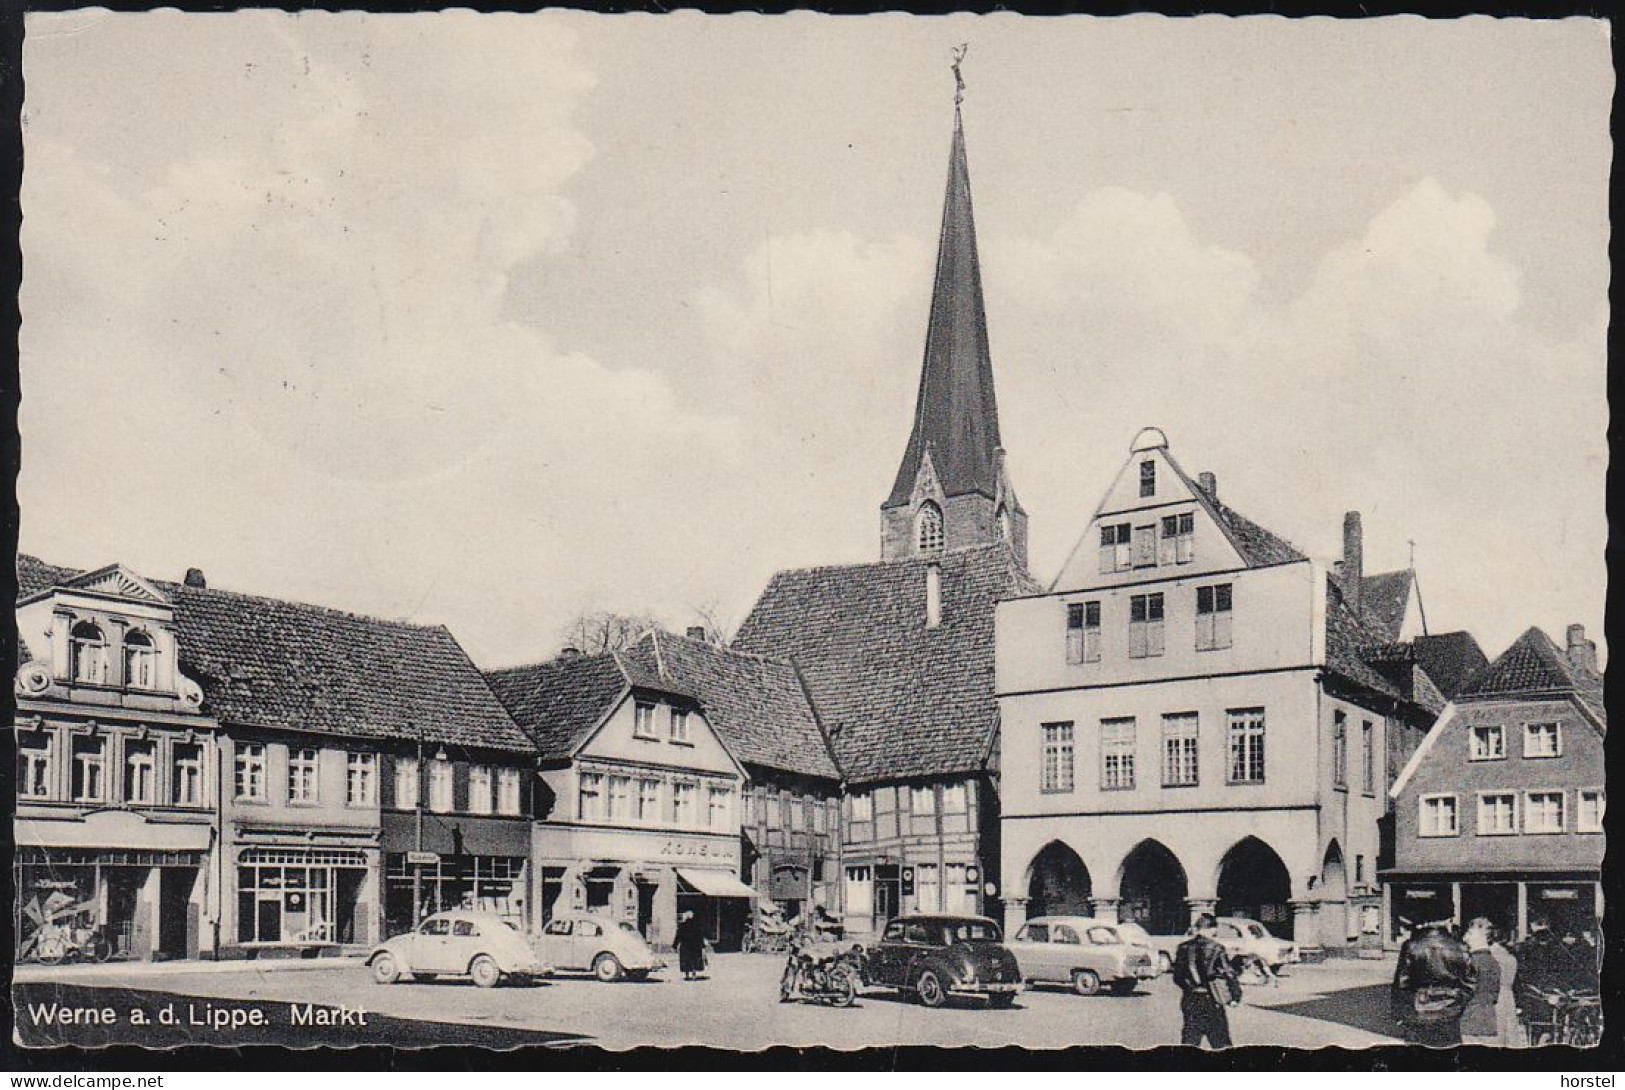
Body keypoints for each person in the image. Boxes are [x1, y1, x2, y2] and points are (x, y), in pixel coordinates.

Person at [1391, 921, 1476, 1047]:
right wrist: (1456, 1002)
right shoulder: (1460, 947)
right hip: (1451, 1013)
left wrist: (1403, 1015)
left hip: (1420, 1011)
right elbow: (1470, 984)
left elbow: (1402, 984)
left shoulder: (1412, 946)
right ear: (1448, 920)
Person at [1173, 914, 1243, 1049]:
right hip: (1212, 1000)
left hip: (1190, 999)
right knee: (1221, 1043)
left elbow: (1177, 977)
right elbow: (1229, 974)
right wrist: (1235, 996)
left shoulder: (1183, 948)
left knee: (1189, 1042)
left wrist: (1189, 987)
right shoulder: (1217, 948)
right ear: (1213, 929)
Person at [1460, 918, 1502, 1045]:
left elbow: (1462, 994)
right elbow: (1495, 996)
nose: (1465, 938)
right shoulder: (1494, 962)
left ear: (1481, 935)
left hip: (1469, 1023)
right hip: (1489, 1022)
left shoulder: (1472, 962)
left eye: (1470, 933)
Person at [674, 910, 707, 981]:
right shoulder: (697, 925)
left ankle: (687, 975)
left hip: (685, 946)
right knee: (694, 959)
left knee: (686, 960)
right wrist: (703, 945)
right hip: (695, 946)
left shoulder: (682, 926)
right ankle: (694, 974)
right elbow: (700, 936)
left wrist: (675, 945)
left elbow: (678, 936)